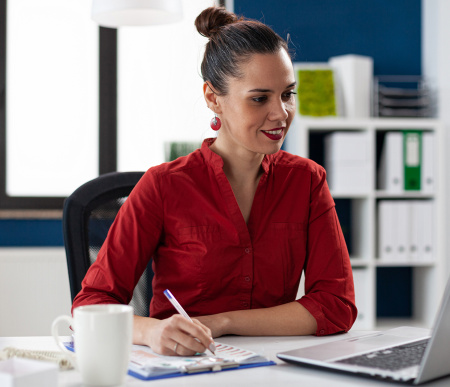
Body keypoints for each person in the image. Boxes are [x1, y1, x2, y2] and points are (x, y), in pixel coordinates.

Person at [72, 6, 357, 357]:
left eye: (287, 94)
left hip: (272, 370)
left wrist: (222, 321)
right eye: (259, 98)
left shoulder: (307, 181)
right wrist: (152, 331)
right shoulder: (162, 186)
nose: (281, 113)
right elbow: (90, 305)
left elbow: (336, 305)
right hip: (180, 369)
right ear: (212, 98)